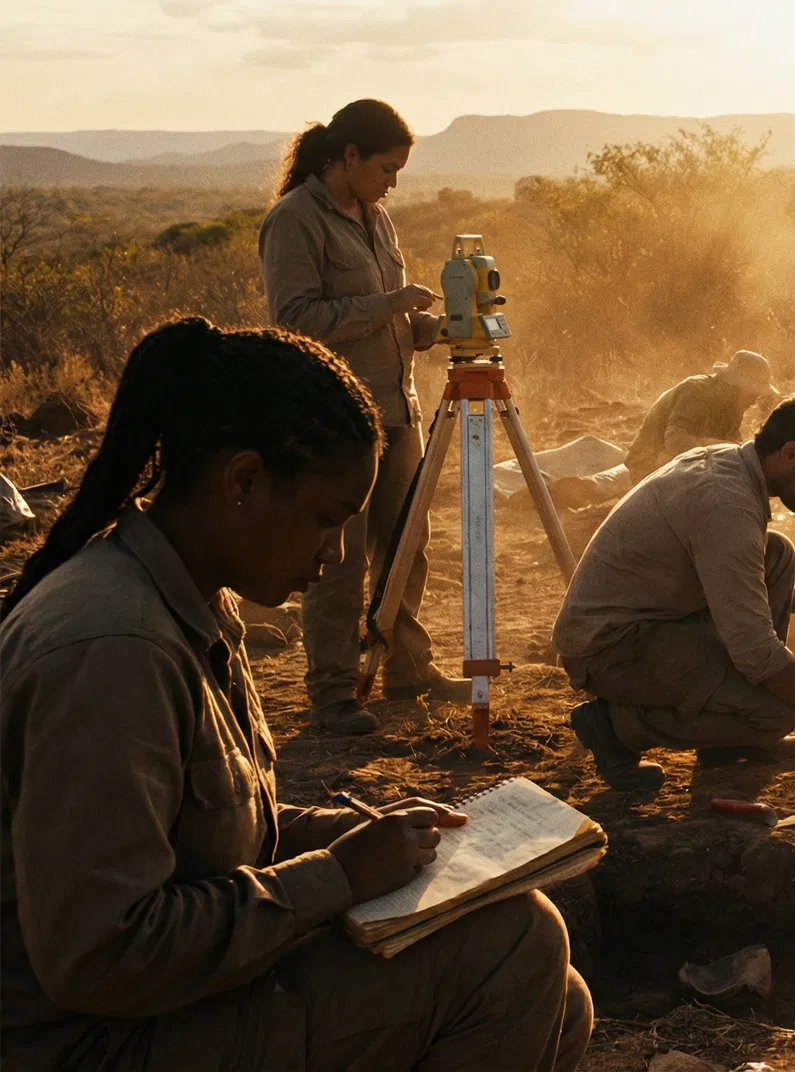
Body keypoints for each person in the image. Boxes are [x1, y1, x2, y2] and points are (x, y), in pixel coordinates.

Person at [0, 319, 591, 1071]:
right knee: (514, 946)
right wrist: (339, 876)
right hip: (89, 1043)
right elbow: (102, 954)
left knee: (558, 1004)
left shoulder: (185, 599)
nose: (336, 554)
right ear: (243, 481)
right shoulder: (115, 651)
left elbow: (195, 831)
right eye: (326, 518)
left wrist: (363, 836)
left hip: (153, 1013)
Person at [555, 393, 795, 791]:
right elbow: (756, 653)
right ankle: (616, 728)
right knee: (775, 713)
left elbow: (728, 575)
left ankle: (728, 738)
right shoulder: (724, 504)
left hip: (652, 623)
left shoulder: (734, 464)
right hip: (610, 647)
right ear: (791, 453)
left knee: (778, 554)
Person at [258, 98, 465, 735]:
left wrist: (433, 326)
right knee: (340, 559)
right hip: (335, 419)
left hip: (396, 406)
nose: (393, 182)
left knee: (407, 545)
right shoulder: (294, 221)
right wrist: (389, 303)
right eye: (386, 167)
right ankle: (333, 693)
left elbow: (390, 321)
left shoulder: (377, 219)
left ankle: (406, 668)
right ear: (347, 156)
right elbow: (295, 321)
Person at [623, 350, 781, 480]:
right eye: (753, 394)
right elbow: (675, 440)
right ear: (737, 387)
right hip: (647, 463)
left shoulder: (732, 407)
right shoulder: (697, 392)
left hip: (677, 466)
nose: (754, 401)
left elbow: (730, 449)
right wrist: (712, 462)